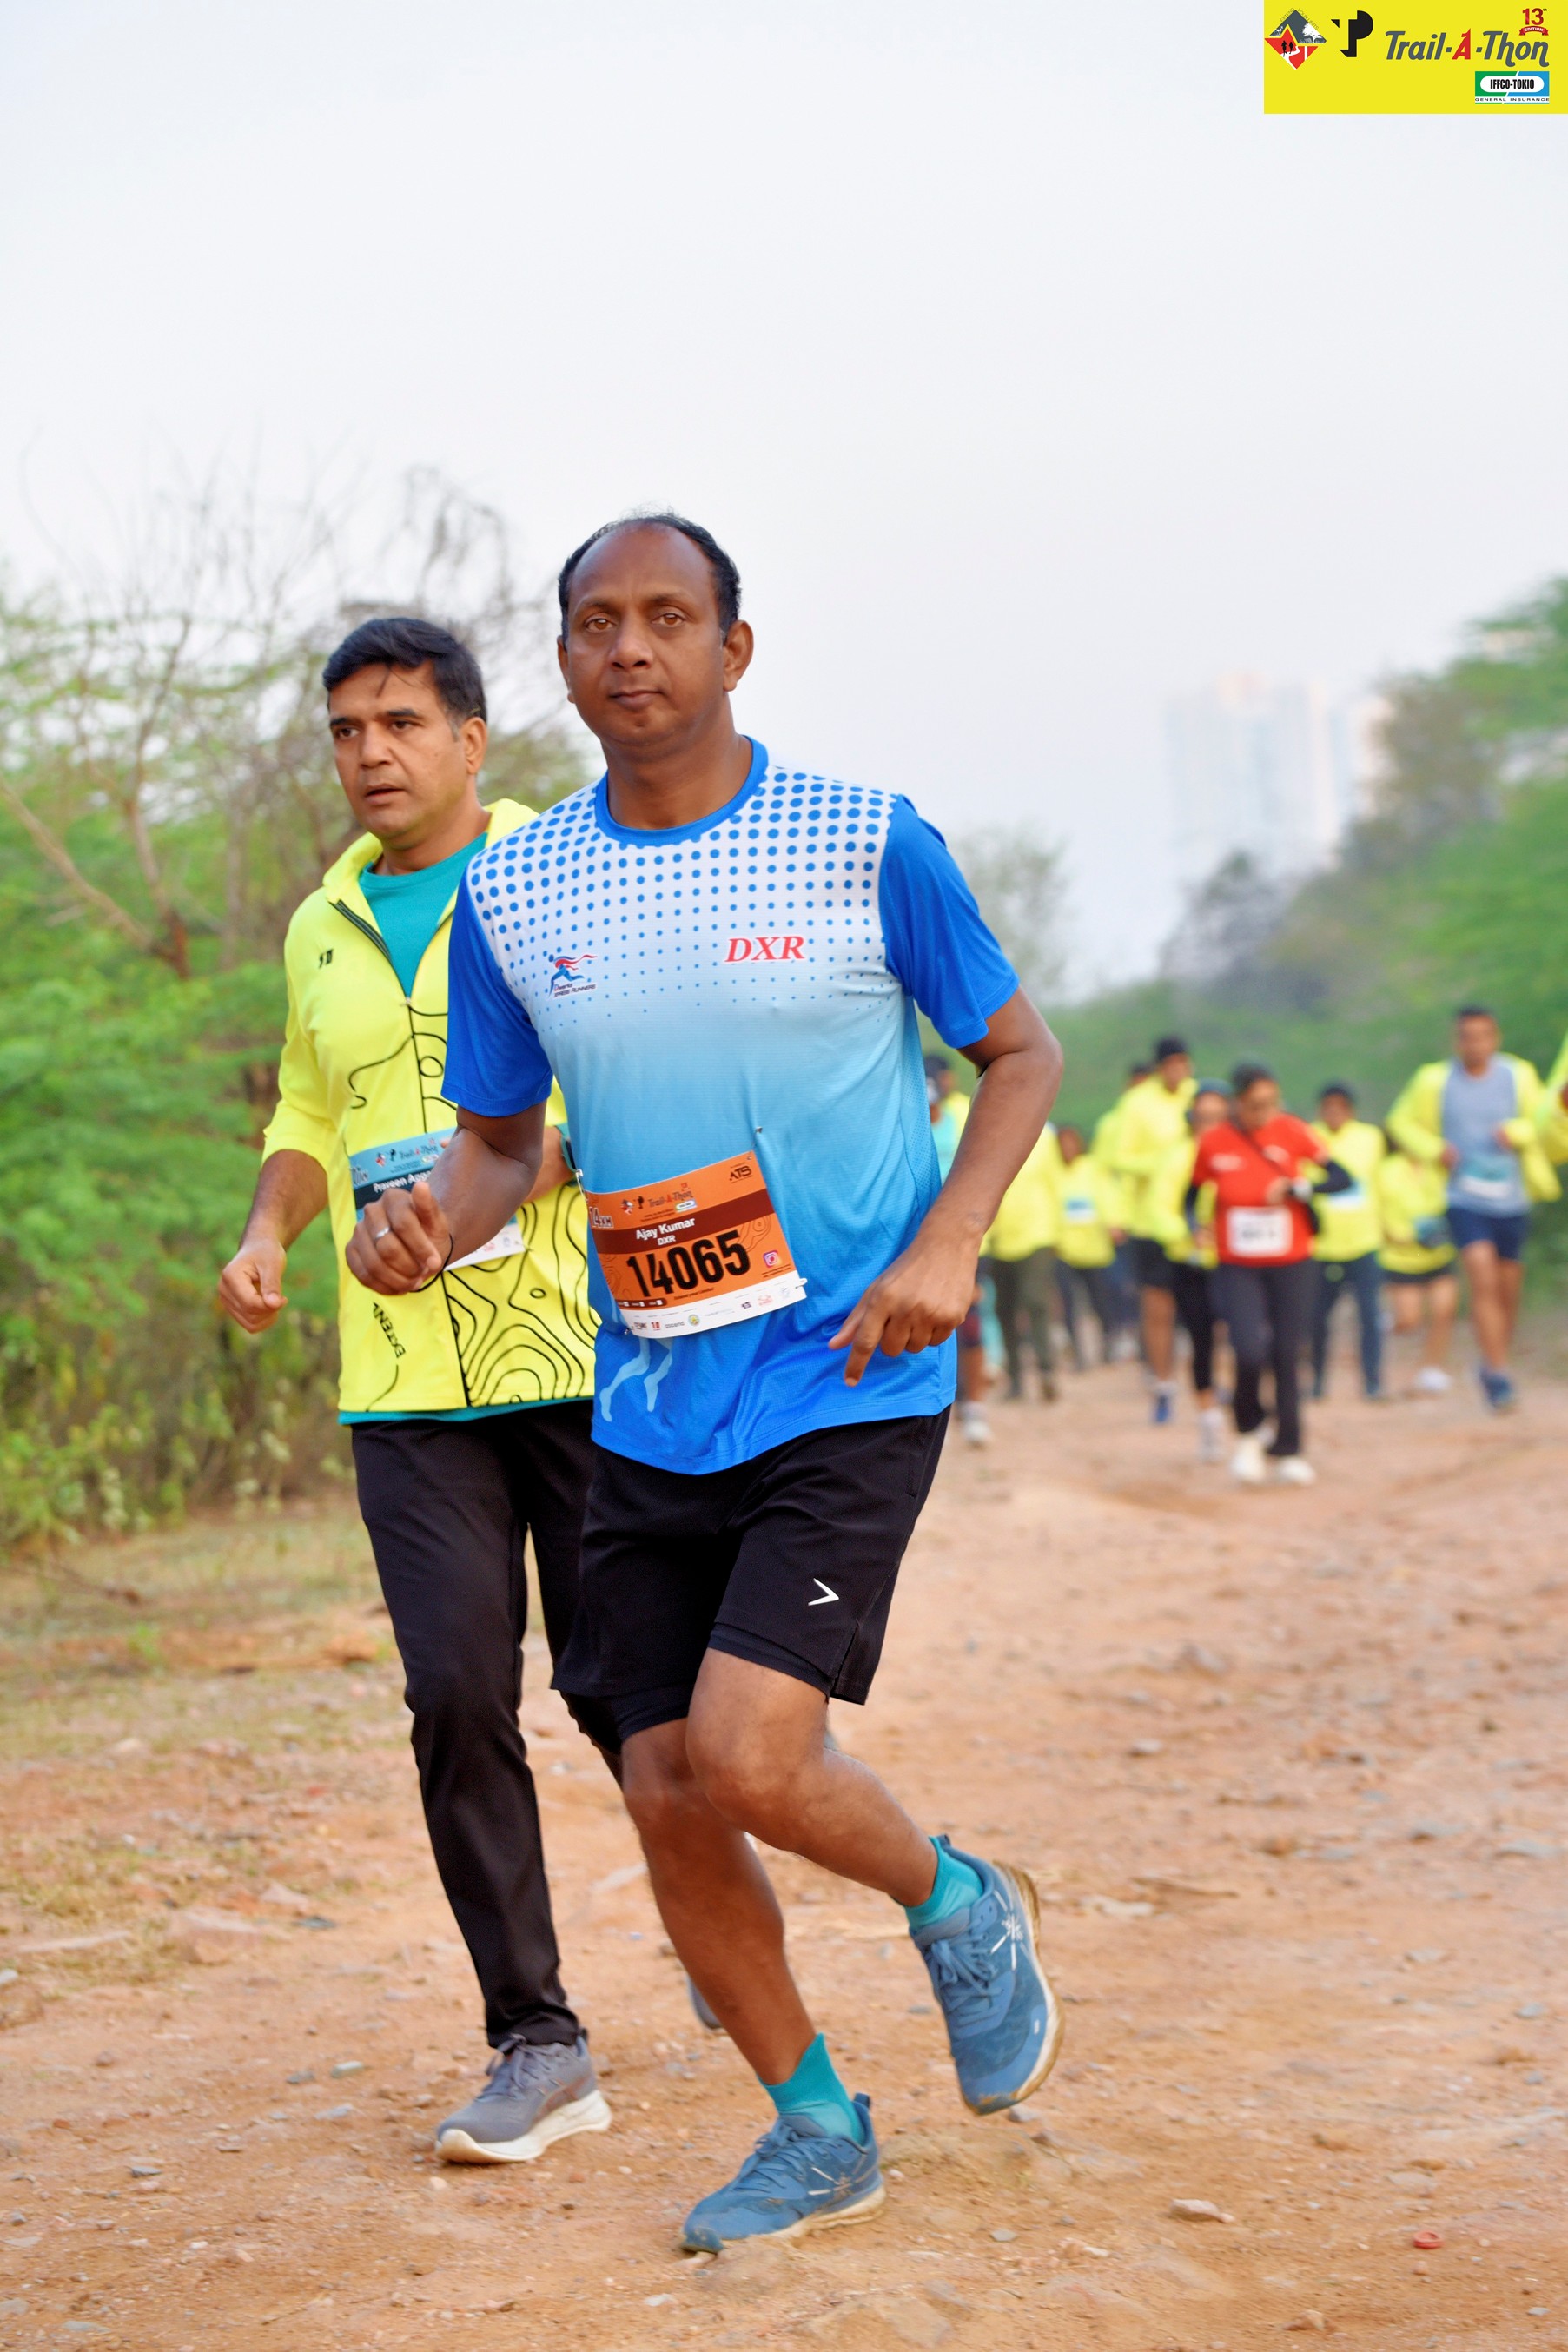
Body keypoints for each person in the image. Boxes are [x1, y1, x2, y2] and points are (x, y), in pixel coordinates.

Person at [343, 514, 1066, 2253]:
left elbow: (1017, 1052)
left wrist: (949, 1242)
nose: (630, 648)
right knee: (664, 1782)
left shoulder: (862, 839)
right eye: (597, 622)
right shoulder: (519, 891)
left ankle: (957, 1900)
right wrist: (429, 1220)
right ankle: (814, 2127)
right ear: (563, 659)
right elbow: (499, 1144)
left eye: (669, 617)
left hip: (849, 1367)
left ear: (733, 648)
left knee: (747, 1753)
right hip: (654, 1396)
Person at [217, 616, 616, 2170]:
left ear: (469, 737)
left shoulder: (561, 871)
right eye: (346, 729)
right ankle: (539, 2037)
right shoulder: (318, 923)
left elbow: (633, 1080)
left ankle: (724, 1924)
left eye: (399, 721)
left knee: (627, 1689)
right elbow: (305, 1105)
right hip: (401, 1381)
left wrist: (494, 1182)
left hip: (576, 1351)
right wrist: (270, 1229)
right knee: (455, 1695)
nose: (369, 752)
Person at [1388, 1008, 1559, 1412]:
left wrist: (1516, 1132)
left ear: (1495, 1038)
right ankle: (1498, 1375)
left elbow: (1543, 1120)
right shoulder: (1435, 1080)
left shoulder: (1517, 1075)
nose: (1475, 1044)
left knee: (1507, 1288)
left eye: (1483, 1035)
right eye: (1467, 1036)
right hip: (1463, 1196)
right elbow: (1400, 1122)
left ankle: (1492, 1360)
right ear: (1457, 1040)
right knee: (1481, 1275)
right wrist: (1436, 1150)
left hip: (1511, 1196)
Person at [1191, 1061, 1350, 1485]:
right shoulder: (1214, 1142)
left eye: (1272, 1103)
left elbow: (1342, 1178)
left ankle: (1289, 1448)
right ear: (1238, 1103)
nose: (1266, 1113)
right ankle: (1249, 1432)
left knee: (1286, 1352)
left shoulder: (1293, 1131)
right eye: (1257, 1105)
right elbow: (1191, 1194)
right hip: (1237, 1263)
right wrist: (1196, 1225)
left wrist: (1299, 1188)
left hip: (1292, 1260)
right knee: (1247, 1349)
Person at [1111, 1037, 1196, 1421]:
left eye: (1183, 1063)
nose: (1178, 1071)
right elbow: (1120, 1158)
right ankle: (1162, 1383)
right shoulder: (1137, 1102)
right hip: (1151, 1221)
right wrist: (1163, 1163)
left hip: (1196, 1220)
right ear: (1160, 1067)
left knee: (1207, 1308)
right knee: (1158, 1308)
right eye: (1170, 1064)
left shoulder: (1200, 1097)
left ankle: (1209, 1382)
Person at [1147, 1083, 1231, 1462]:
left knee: (1245, 1337)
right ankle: (1209, 1418)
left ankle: (1249, 1410)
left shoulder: (1240, 1152)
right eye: (1203, 1117)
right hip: (1192, 1263)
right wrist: (1189, 1233)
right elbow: (1159, 1210)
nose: (1210, 1125)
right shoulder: (1177, 1157)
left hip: (1240, 1262)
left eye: (1218, 1117)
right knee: (1203, 1340)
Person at [1308, 1083, 1386, 1402]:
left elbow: (1381, 1183)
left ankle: (1372, 1381)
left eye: (1340, 1107)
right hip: (1322, 1244)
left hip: (1364, 1240)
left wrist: (1389, 1226)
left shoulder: (1370, 1138)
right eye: (1328, 1107)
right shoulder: (1310, 1137)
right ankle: (1316, 1382)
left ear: (1351, 1110)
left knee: (1369, 1315)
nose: (1334, 1113)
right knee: (1316, 1318)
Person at [930, 1066, 993, 1443]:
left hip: (963, 1237)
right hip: (917, 1238)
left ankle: (976, 1408)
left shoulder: (958, 1122)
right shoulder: (904, 1125)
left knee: (969, 1321)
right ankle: (943, 1405)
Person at [982, 1122, 1062, 1402]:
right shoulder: (986, 1129)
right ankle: (1015, 1377)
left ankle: (1046, 1370)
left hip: (1037, 1234)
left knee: (1036, 1301)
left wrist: (1058, 1232)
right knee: (1004, 1310)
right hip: (999, 1238)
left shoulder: (1045, 1135)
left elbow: (1055, 1183)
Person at [1377, 1133, 1459, 1394]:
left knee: (1444, 1311)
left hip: (1439, 1254)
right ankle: (1383, 1327)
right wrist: (1403, 1236)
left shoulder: (1438, 1165)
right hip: (1402, 1259)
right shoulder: (1385, 1170)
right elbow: (1379, 1211)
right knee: (1410, 1321)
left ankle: (1431, 1368)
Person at [1052, 1123, 1120, 1368]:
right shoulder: (1053, 1172)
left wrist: (1114, 1222)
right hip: (1064, 1248)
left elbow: (1108, 1195)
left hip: (1094, 1248)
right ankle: (1077, 1352)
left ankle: (1108, 1343)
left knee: (1100, 1300)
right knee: (1069, 1304)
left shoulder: (1093, 1168)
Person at [1092, 1063, 1148, 1355]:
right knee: (1121, 1284)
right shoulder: (1111, 1125)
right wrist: (1111, 1216)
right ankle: (1126, 1333)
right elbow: (1101, 1174)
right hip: (1123, 1219)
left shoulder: (1169, 1119)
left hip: (1156, 1219)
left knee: (1154, 1286)